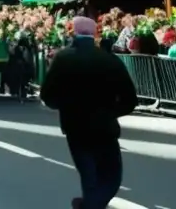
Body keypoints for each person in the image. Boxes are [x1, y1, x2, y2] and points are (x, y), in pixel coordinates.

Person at [40, 16, 138, 209]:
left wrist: (65, 106)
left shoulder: (63, 58)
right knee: (111, 177)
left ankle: (88, 205)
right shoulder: (109, 59)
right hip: (105, 126)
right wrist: (112, 112)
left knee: (88, 175)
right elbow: (130, 99)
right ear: (94, 34)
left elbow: (47, 94)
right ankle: (91, 205)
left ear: (74, 32)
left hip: (75, 126)